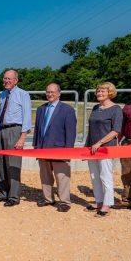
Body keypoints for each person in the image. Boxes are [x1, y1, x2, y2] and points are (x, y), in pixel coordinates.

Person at [32, 83, 77, 212]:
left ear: (58, 93)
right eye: (48, 92)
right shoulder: (41, 109)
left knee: (62, 177)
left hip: (60, 149)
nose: (50, 94)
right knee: (45, 176)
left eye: (52, 92)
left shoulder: (67, 110)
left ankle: (64, 201)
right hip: (43, 149)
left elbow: (71, 132)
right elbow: (37, 130)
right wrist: (36, 147)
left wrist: (68, 152)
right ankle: (48, 199)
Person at [85, 82, 123, 217]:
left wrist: (100, 143)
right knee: (94, 176)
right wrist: (87, 147)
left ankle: (107, 204)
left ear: (110, 93)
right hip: (92, 148)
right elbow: (91, 129)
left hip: (106, 148)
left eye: (103, 91)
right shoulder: (95, 108)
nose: (99, 93)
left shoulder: (116, 109)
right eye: (98, 91)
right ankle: (99, 201)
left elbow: (116, 130)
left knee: (105, 176)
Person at [0, 69, 32, 206]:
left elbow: (27, 117)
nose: (6, 81)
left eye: (9, 79)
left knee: (13, 164)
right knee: (0, 163)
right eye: (5, 78)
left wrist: (22, 138)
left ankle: (14, 196)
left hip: (15, 130)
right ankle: (3, 192)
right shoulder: (3, 94)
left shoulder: (23, 94)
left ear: (16, 80)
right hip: (2, 131)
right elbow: (0, 114)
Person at [113, 80, 131, 216]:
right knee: (127, 174)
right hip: (127, 144)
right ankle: (127, 200)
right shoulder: (128, 105)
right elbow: (122, 125)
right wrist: (118, 140)